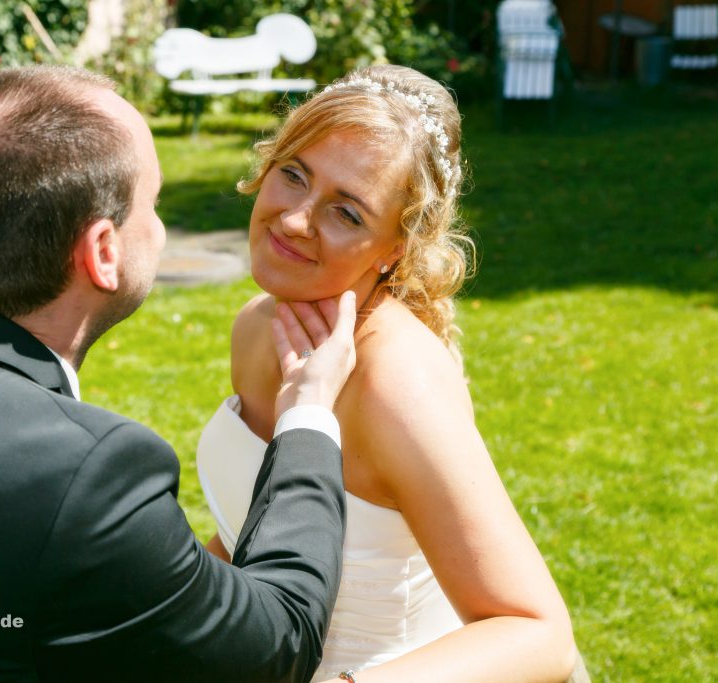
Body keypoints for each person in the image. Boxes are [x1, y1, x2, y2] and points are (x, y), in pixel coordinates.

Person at [0, 66, 359, 682]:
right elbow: (277, 644)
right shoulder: (86, 472)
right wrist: (308, 409)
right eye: (151, 207)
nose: (155, 230)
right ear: (103, 252)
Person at [197, 64, 584, 682]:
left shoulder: (396, 382)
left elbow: (539, 635)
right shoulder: (256, 326)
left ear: (395, 249)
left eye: (346, 213)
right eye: (293, 175)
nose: (295, 220)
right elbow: (254, 525)